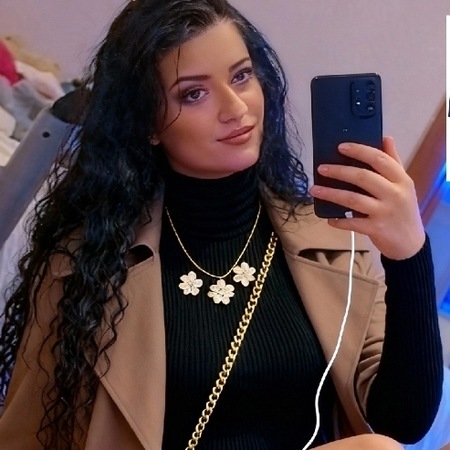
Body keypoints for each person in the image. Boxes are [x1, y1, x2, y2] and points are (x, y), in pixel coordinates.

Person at [0, 0, 443, 449]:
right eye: (194, 94)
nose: (235, 107)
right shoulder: (87, 264)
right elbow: (26, 436)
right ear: (148, 123)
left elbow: (401, 420)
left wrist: (408, 254)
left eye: (241, 76)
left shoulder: (326, 241)